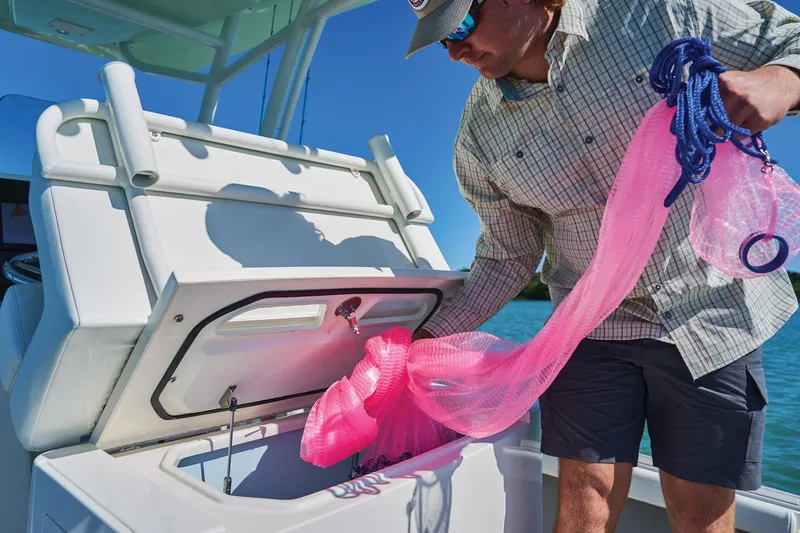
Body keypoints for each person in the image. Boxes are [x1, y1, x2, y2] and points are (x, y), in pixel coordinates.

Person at [403, 0, 800, 532]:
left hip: (711, 315)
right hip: (590, 328)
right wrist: (419, 341)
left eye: (462, 25)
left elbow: (787, 38)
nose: (454, 51)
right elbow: (507, 256)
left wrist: (780, 80)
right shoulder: (479, 135)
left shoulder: (656, 13)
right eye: (441, 39)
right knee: (583, 497)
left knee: (701, 512)